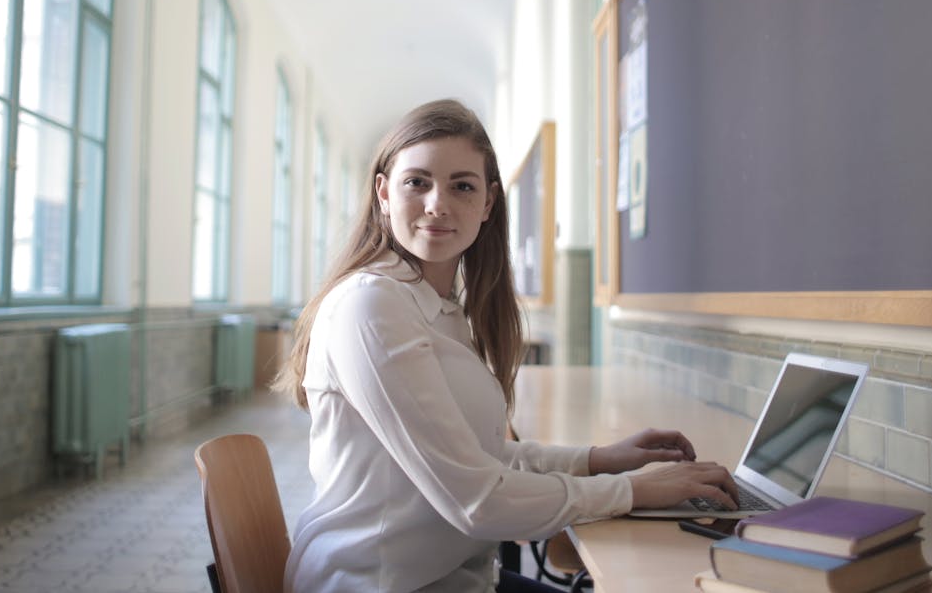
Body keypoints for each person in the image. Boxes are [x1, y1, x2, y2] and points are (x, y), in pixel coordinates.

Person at [274, 99, 738, 592]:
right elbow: (478, 501)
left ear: (487, 204)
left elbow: (480, 458)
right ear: (384, 193)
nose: (438, 203)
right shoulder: (370, 306)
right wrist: (631, 490)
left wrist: (598, 459)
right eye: (418, 182)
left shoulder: (440, 308)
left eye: (462, 186)